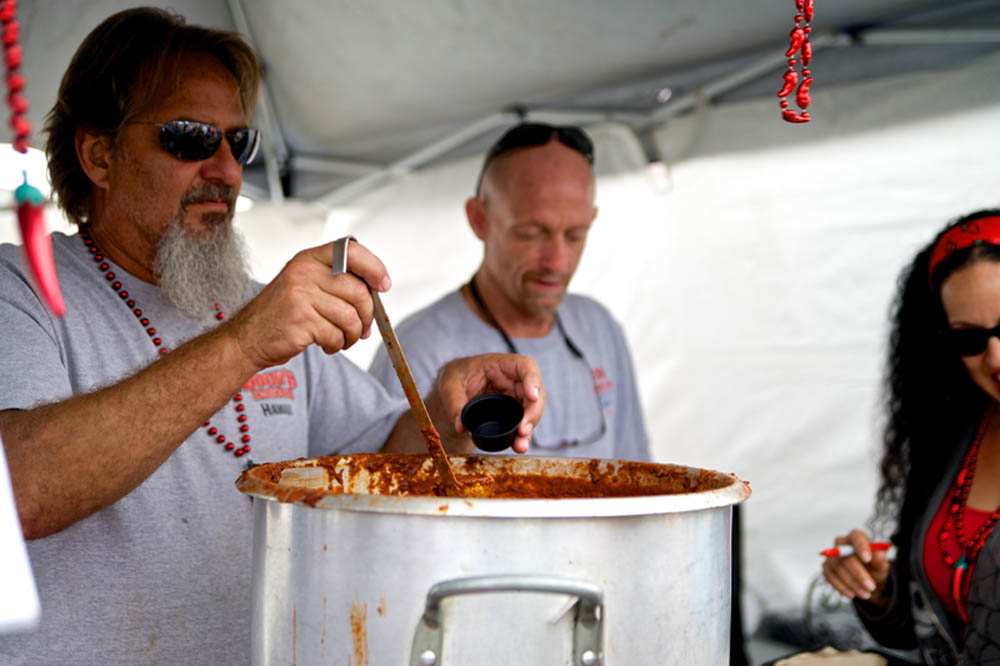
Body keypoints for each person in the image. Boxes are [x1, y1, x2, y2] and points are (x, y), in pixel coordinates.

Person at [0, 8, 543, 664]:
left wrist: (445, 413)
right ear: (99, 155)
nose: (227, 171)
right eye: (190, 138)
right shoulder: (22, 287)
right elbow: (18, 487)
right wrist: (243, 344)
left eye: (240, 144)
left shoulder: (260, 308)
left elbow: (376, 469)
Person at [369, 122, 650, 462]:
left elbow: (638, 474)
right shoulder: (417, 348)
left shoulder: (599, 328)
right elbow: (381, 490)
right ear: (479, 220)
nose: (557, 261)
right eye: (531, 233)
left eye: (575, 235)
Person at [822, 209, 1000, 663]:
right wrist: (880, 592)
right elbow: (922, 631)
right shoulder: (955, 439)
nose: (996, 358)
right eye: (969, 340)